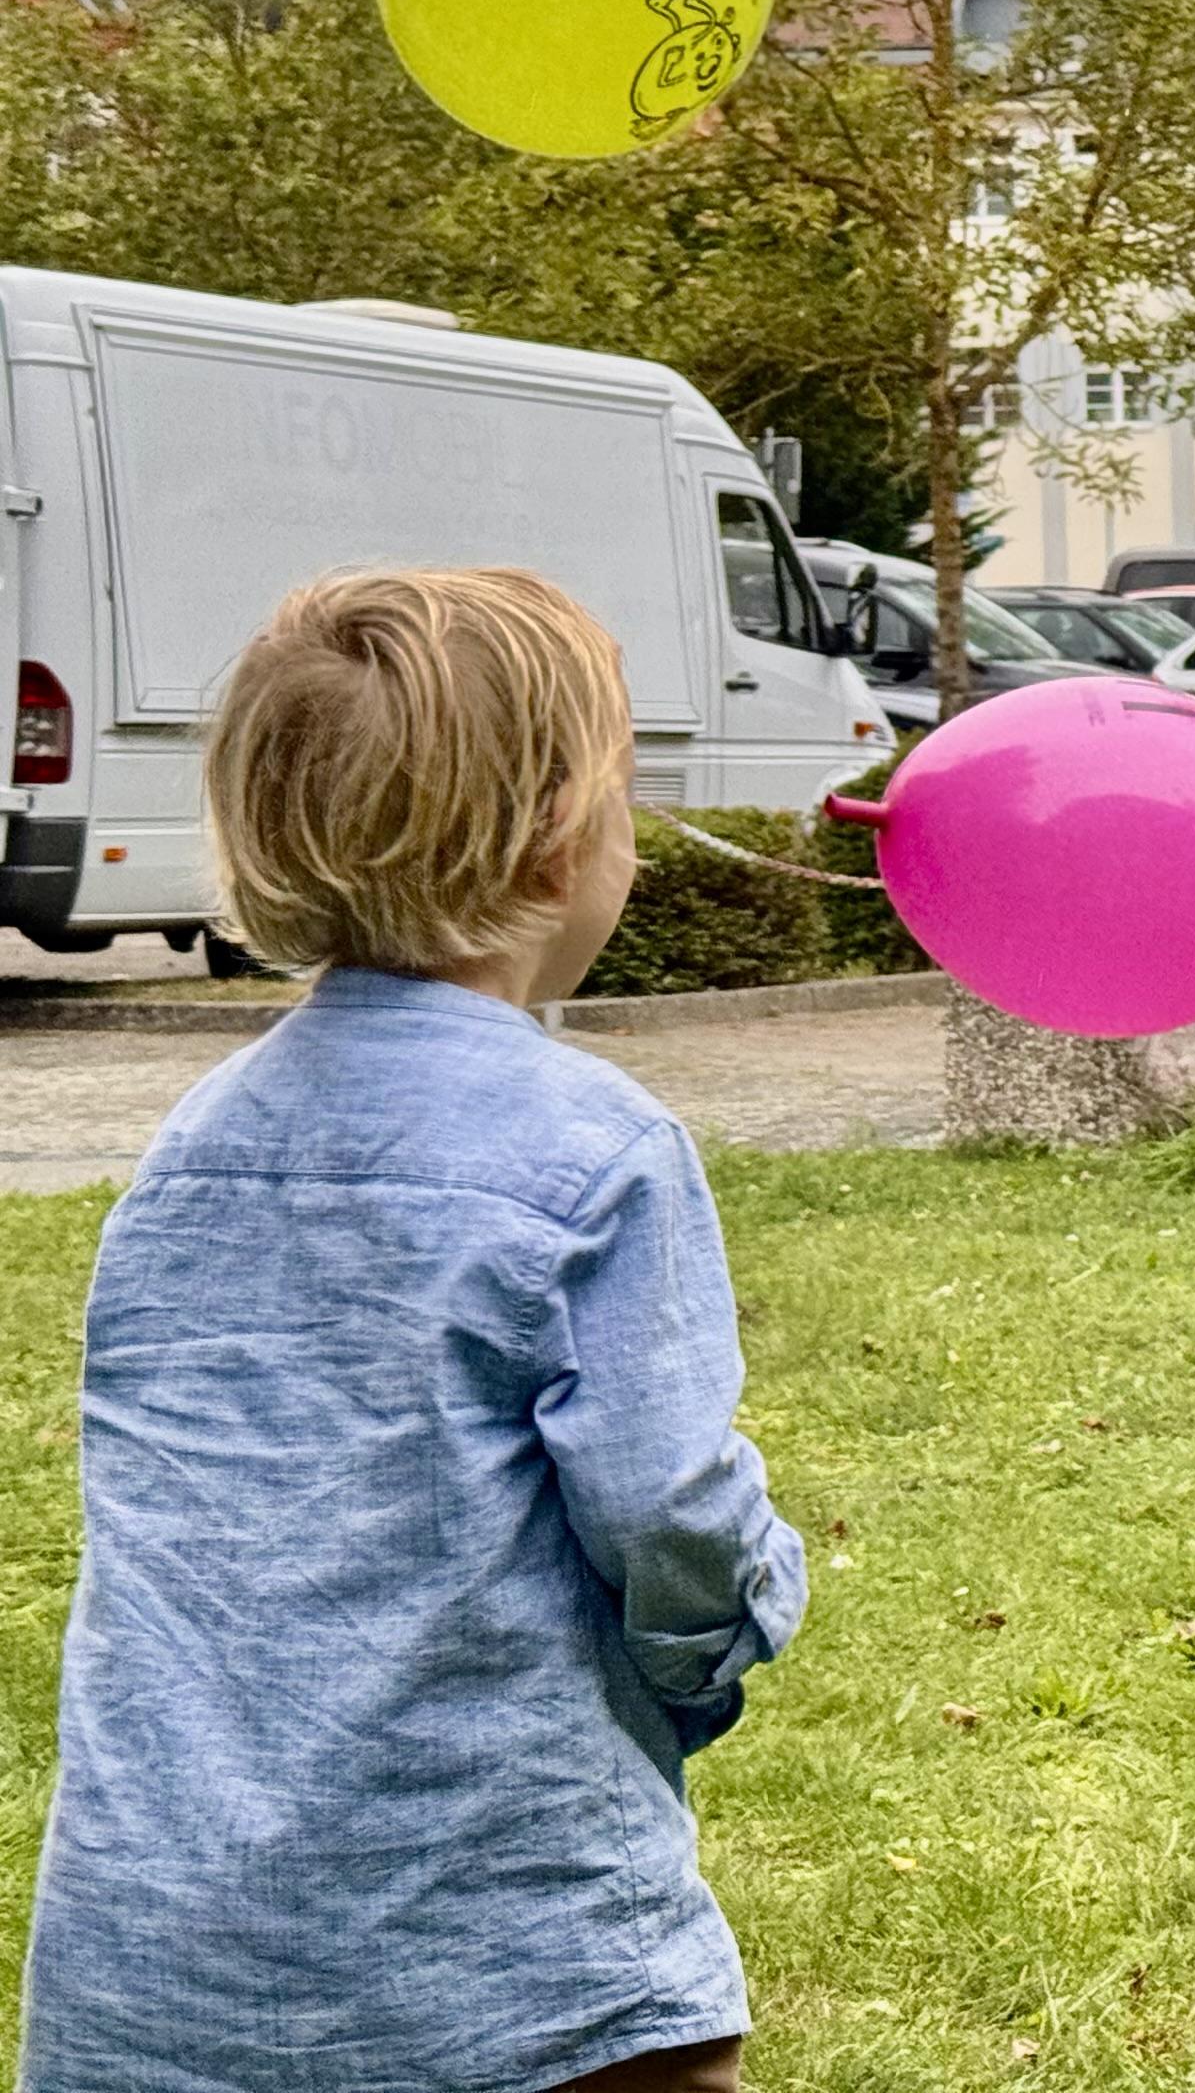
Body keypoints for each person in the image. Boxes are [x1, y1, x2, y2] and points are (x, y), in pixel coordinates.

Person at [18, 569, 804, 2093]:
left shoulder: (187, 1153)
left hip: (157, 1968)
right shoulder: (597, 1156)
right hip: (507, 1973)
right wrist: (725, 1632)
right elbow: (667, 1511)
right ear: (560, 834)